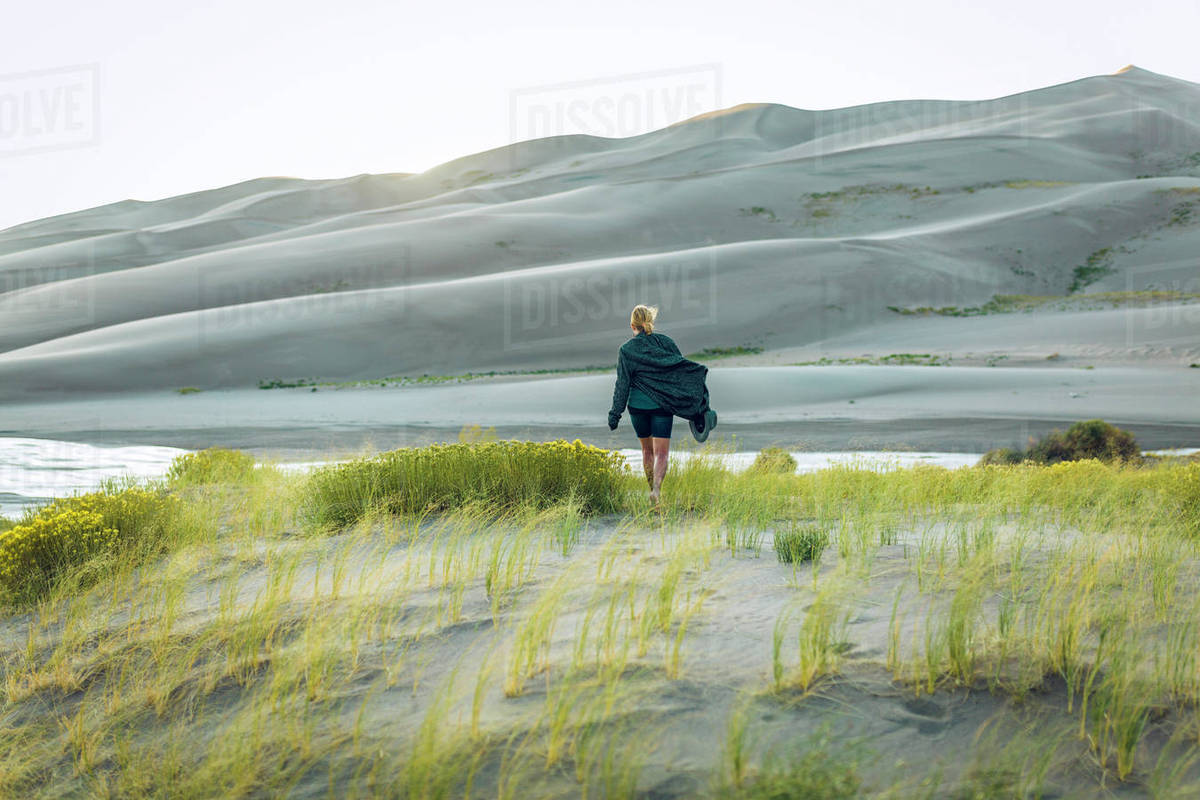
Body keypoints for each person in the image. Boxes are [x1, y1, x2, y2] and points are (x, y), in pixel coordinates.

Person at [608, 304, 718, 504]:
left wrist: (615, 414)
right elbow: (680, 370)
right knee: (662, 453)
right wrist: (696, 401)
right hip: (662, 406)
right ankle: (657, 491)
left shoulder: (626, 350)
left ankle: (651, 488)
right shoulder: (666, 343)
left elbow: (622, 384)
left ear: (632, 324)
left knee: (646, 451)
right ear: (650, 322)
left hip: (637, 407)